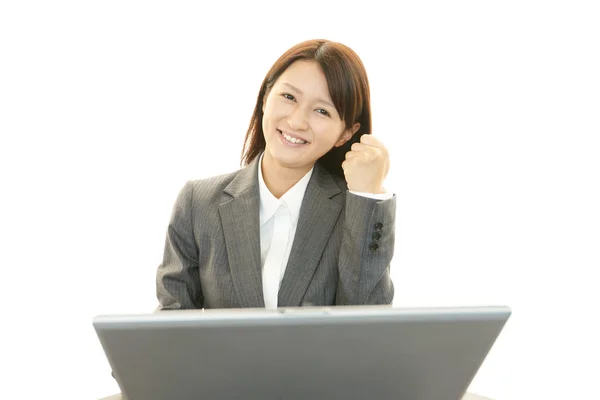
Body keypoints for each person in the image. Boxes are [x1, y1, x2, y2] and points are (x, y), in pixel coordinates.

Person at [155, 39, 396, 310]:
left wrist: (368, 197)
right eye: (289, 97)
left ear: (346, 133)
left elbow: (369, 325)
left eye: (322, 111)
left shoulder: (353, 213)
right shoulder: (197, 204)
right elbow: (171, 328)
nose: (296, 122)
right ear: (265, 97)